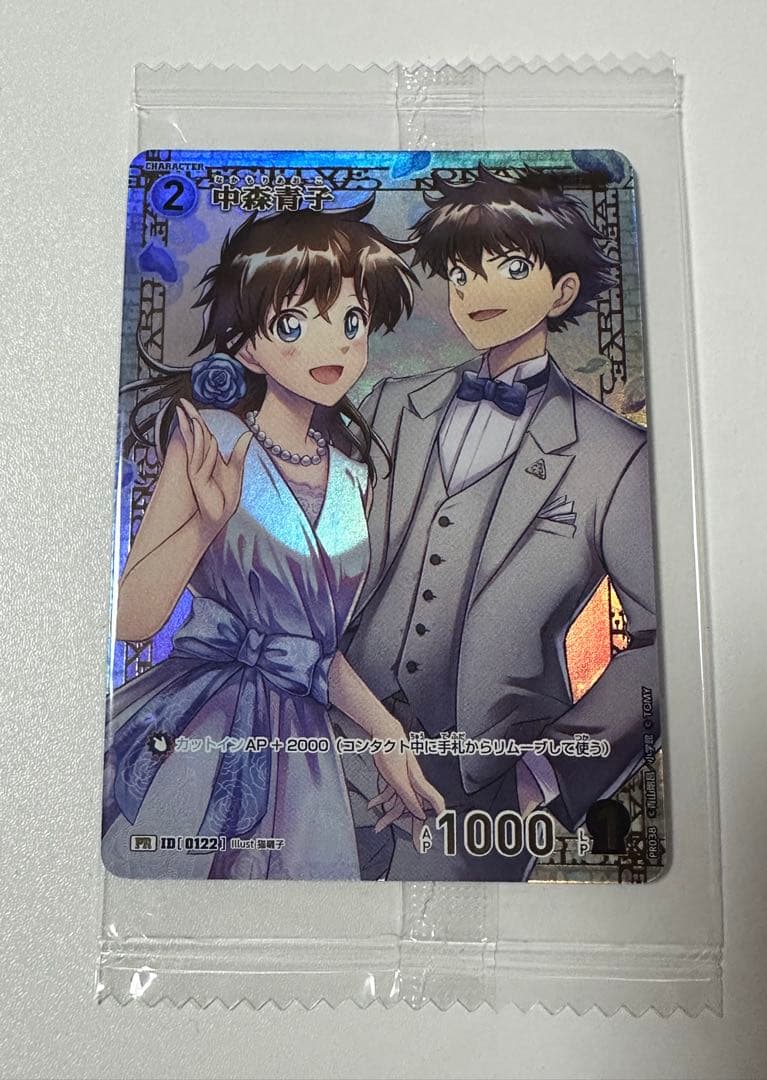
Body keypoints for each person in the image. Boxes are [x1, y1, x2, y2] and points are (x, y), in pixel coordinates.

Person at [102, 197, 443, 880]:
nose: (333, 344)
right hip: (200, 721)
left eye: (351, 321)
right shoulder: (212, 438)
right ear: (247, 346)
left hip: (303, 748)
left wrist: (386, 735)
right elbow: (132, 619)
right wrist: (206, 523)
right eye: (294, 323)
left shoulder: (353, 478)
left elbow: (314, 651)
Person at [338, 166, 660, 881]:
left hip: (483, 790)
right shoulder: (391, 403)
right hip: (330, 747)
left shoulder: (615, 454)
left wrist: (542, 779)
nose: (476, 291)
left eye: (510, 268)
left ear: (562, 292)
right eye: (461, 273)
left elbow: (661, 642)